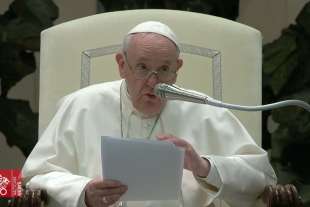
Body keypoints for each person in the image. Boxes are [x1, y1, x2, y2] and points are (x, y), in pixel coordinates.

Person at [22, 21, 276, 207]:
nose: (154, 82)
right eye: (142, 68)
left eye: (164, 69)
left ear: (177, 69)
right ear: (122, 65)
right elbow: (28, 178)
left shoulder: (204, 110)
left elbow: (263, 178)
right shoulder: (81, 105)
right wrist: (82, 192)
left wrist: (203, 167)